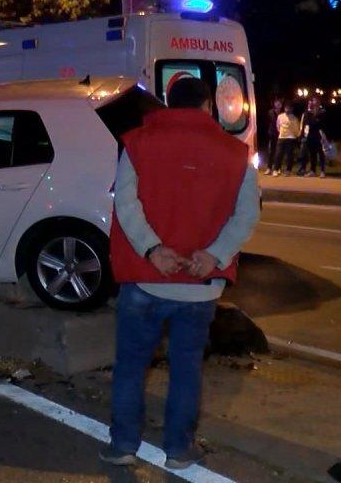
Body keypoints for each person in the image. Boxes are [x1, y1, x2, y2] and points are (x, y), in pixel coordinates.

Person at [100, 77, 259, 470]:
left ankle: (123, 446)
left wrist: (153, 250)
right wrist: (214, 255)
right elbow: (247, 215)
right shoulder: (236, 152)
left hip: (145, 281)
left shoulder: (137, 142)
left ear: (168, 104)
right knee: (186, 370)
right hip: (200, 286)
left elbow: (125, 204)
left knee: (131, 367)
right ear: (208, 107)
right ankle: (178, 451)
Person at [296, 97, 328, 178]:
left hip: (319, 135)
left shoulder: (322, 112)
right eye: (313, 101)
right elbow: (307, 123)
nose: (315, 103)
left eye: (316, 101)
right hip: (310, 135)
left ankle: (322, 171)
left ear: (319, 102)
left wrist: (316, 120)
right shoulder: (308, 112)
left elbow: (321, 124)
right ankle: (312, 171)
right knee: (312, 154)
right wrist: (303, 134)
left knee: (321, 153)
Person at [270, 101, 301, 176]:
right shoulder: (280, 116)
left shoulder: (294, 118)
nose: (287, 109)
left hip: (291, 138)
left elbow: (296, 129)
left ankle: (288, 170)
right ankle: (276, 169)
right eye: (286, 108)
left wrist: (296, 135)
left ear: (292, 109)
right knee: (278, 154)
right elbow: (278, 126)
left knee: (289, 155)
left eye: (289, 108)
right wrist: (281, 132)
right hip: (281, 137)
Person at [262, 98, 283, 174]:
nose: (278, 104)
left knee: (279, 152)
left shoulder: (283, 113)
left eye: (279, 103)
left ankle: (278, 168)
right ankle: (269, 168)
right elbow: (272, 121)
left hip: (280, 134)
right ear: (274, 104)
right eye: (276, 103)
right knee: (271, 151)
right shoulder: (271, 112)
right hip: (272, 134)